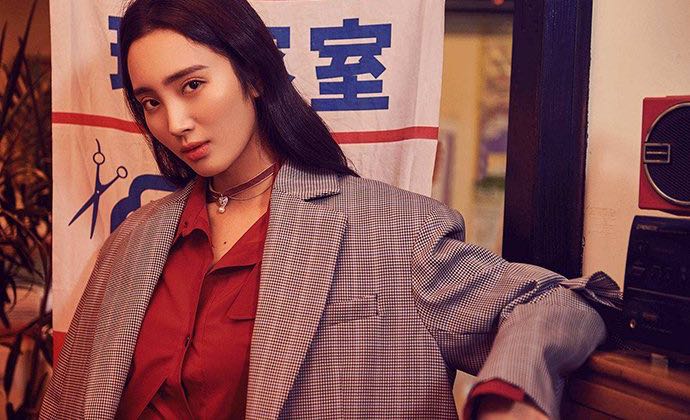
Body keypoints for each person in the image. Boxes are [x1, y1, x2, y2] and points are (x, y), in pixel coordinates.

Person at [40, 0, 621, 419]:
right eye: (150, 102)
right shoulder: (135, 239)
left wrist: (509, 399)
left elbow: (561, 300)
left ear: (254, 76)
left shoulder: (393, 231)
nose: (174, 122)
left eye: (191, 85)